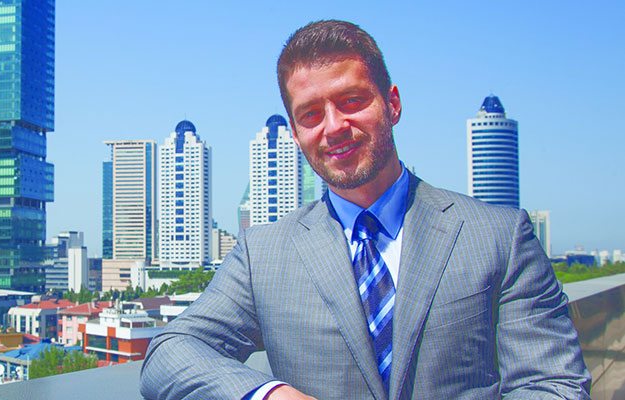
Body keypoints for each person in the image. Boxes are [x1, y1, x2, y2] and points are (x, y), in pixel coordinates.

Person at [140, 20, 590, 400]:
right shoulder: (264, 254)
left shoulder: (499, 236)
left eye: (352, 101)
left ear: (392, 103)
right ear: (295, 133)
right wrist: (270, 395)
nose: (334, 126)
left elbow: (554, 385)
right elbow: (170, 351)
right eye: (311, 114)